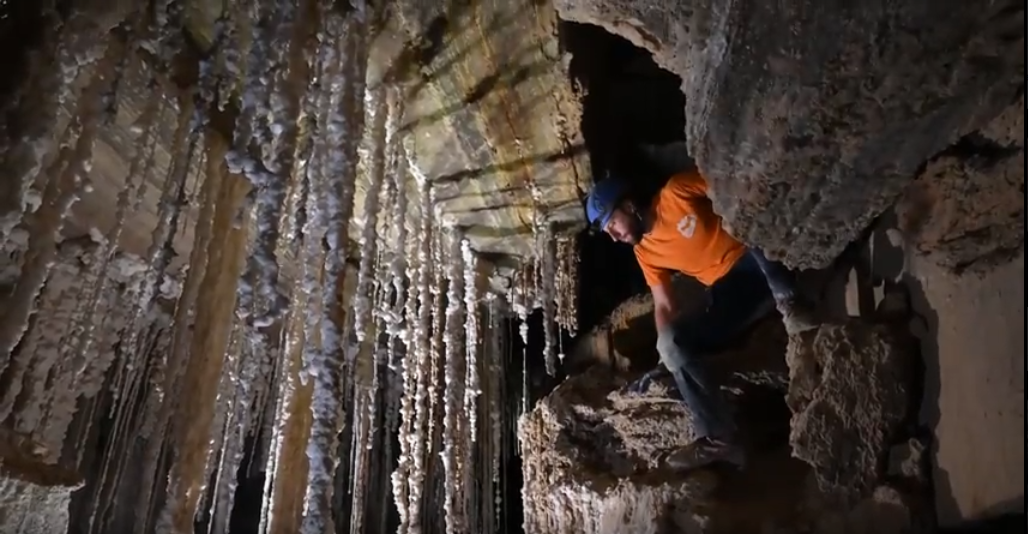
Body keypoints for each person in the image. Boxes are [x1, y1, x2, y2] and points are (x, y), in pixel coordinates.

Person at [585, 169, 818, 471]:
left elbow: (739, 192)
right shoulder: (645, 252)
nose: (614, 237)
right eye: (608, 232)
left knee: (754, 228)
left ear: (629, 205)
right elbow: (664, 304)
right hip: (733, 292)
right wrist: (666, 355)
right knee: (674, 343)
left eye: (612, 224)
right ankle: (720, 438)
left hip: (758, 255)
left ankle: (792, 304)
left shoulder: (677, 192)